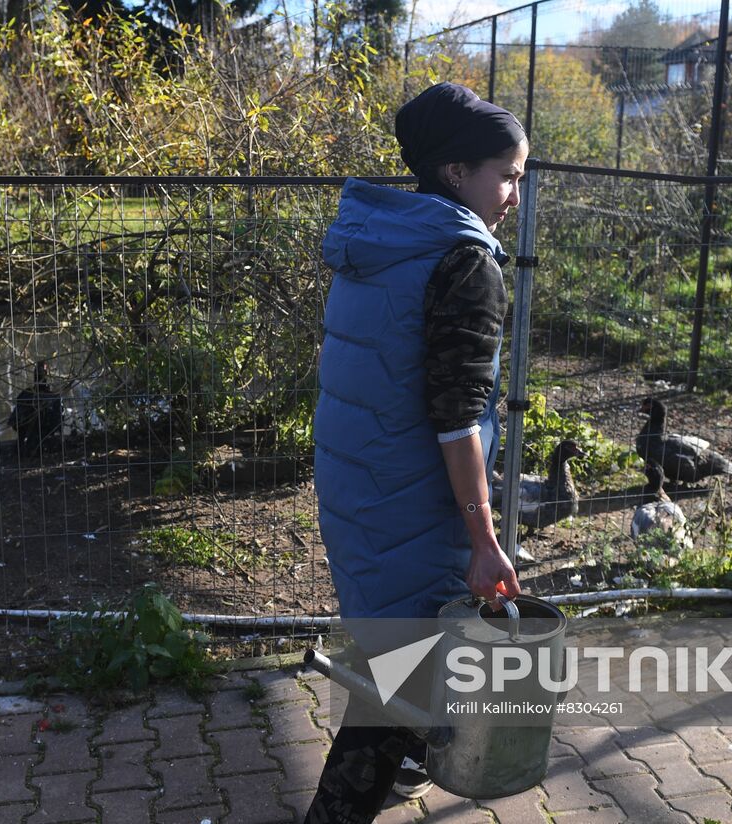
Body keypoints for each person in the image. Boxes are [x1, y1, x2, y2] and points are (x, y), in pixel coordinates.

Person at [305, 82, 529, 823]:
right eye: (507, 175)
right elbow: (456, 419)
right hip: (408, 498)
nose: (514, 195)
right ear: (454, 173)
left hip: (357, 487)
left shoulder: (379, 236)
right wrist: (484, 539)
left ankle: (404, 762)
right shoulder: (465, 263)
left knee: (396, 662)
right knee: (408, 677)